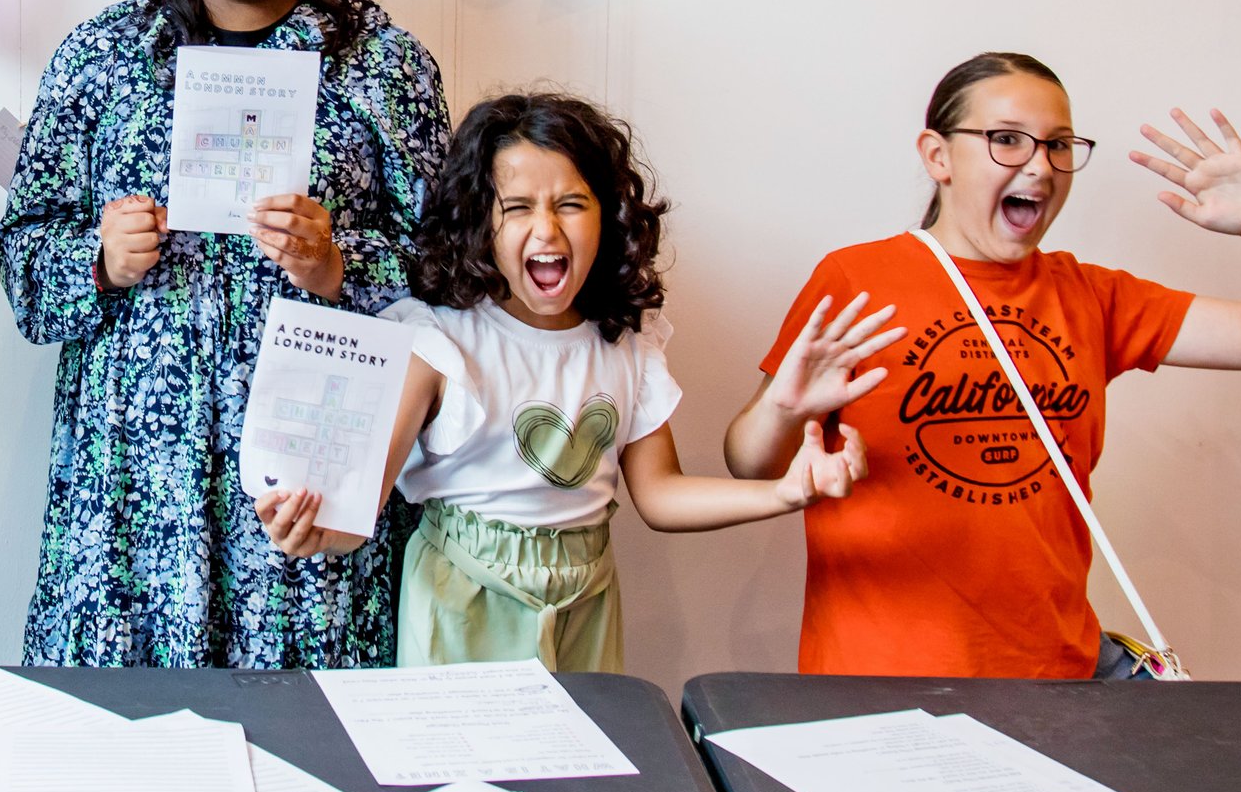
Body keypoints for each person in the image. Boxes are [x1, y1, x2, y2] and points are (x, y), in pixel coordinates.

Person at [0, 0, 451, 668]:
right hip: (131, 488)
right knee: (124, 766)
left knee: (315, 771)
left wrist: (340, 264)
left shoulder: (382, 66)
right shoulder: (102, 58)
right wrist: (97, 257)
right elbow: (19, 258)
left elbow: (458, 276)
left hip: (306, 488)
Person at [725, 50, 1241, 678]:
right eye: (1007, 140)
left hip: (1055, 678)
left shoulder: (1091, 295)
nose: (1039, 166)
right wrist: (781, 410)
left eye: (1059, 146)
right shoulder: (856, 278)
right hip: (877, 677)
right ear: (937, 155)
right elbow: (750, 464)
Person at [255, 92, 883, 671]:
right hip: (461, 603)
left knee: (583, 782)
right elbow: (359, 511)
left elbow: (660, 496)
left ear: (608, 218)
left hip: (588, 601)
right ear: (480, 222)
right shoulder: (438, 341)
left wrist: (788, 492)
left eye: (571, 205)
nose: (547, 230)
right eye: (518, 207)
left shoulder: (627, 341)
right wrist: (314, 532)